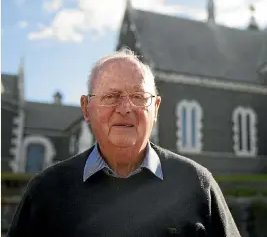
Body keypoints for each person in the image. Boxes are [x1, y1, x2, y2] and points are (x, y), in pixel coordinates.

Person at [7, 49, 241, 237]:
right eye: (111, 97)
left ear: (156, 108)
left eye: (139, 97)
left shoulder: (197, 184)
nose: (126, 107)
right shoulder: (45, 191)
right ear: (86, 109)